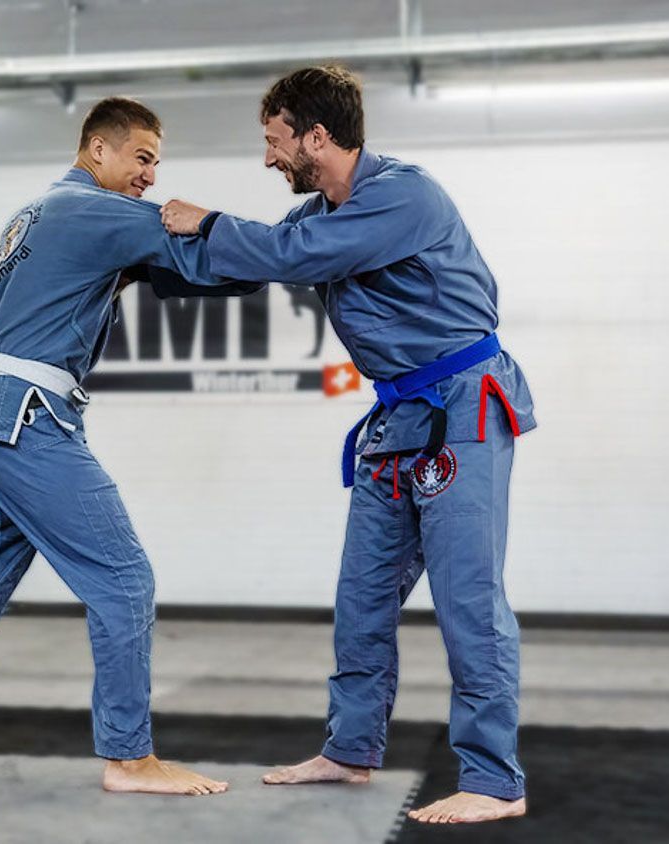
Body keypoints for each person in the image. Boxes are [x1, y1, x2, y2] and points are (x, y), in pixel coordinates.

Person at [0, 97, 251, 796]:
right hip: (23, 417)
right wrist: (316, 246)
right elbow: (214, 252)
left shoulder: (38, 213)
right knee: (123, 580)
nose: (150, 176)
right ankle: (130, 759)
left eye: (156, 163)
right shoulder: (98, 211)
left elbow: (197, 280)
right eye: (141, 158)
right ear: (98, 150)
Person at [160, 65, 535, 824]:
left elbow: (288, 257)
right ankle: (351, 749)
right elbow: (254, 260)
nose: (269, 159)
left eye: (274, 142)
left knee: (468, 602)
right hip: (396, 421)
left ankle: (495, 782)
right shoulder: (317, 216)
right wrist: (127, 253)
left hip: (462, 407)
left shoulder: (404, 195)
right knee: (361, 600)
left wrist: (203, 220)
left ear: (316, 136)